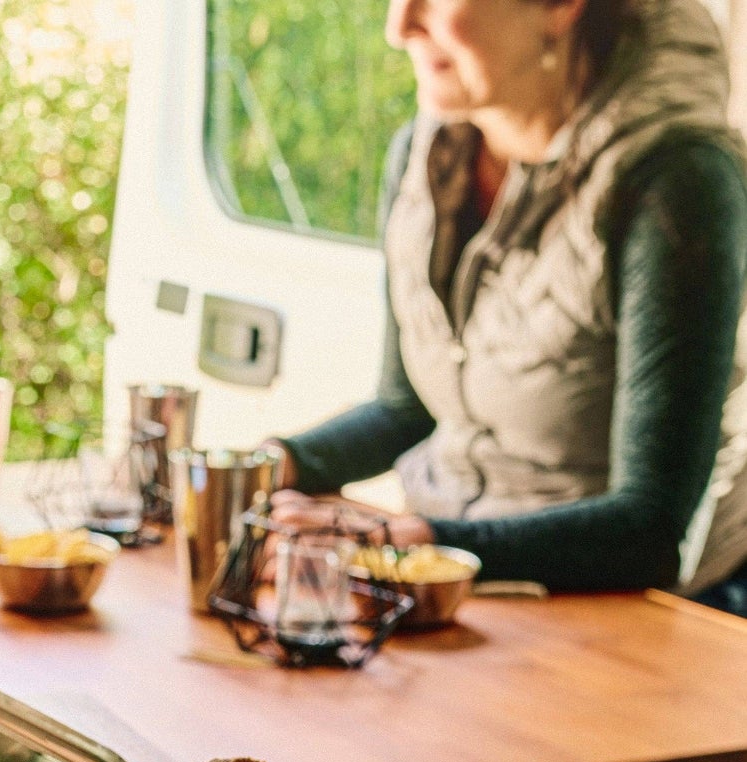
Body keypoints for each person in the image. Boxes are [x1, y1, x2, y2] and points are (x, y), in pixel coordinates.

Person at [263, 0, 747, 608]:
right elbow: (409, 407)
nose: (399, 27)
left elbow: (648, 528)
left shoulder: (678, 181)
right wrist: (275, 464)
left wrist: (417, 542)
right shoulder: (424, 154)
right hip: (457, 585)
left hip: (627, 618)